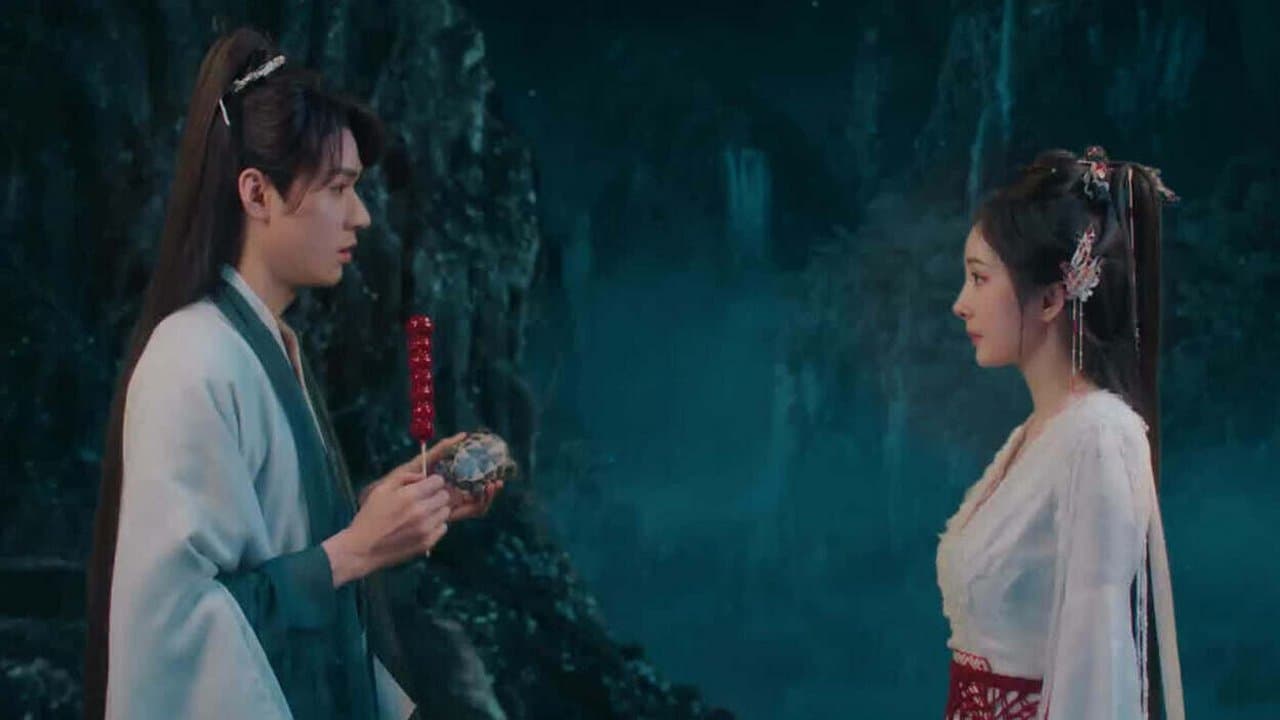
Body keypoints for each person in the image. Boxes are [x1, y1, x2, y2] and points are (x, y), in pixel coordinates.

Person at [83, 27, 501, 719]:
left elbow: (277, 550)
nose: (362, 216)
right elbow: (174, 634)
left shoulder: (263, 348)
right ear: (256, 193)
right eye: (339, 187)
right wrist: (355, 550)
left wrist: (379, 511)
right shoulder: (192, 360)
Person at [938, 147, 1184, 719]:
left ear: (1050, 298)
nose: (960, 305)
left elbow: (1098, 664)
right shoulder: (1037, 435)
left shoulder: (1098, 436)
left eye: (979, 279)